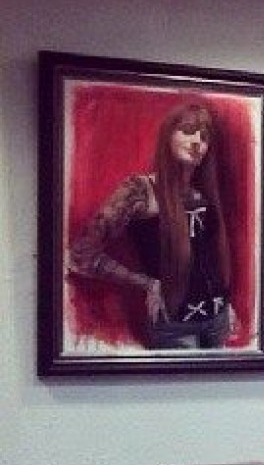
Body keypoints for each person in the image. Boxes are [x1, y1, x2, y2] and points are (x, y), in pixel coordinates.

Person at [68, 98, 234, 349]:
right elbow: (81, 255)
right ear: (168, 136)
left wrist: (226, 303)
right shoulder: (140, 190)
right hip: (174, 325)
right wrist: (146, 283)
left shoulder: (203, 193)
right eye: (188, 131)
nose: (197, 142)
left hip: (219, 320)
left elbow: (209, 257)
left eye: (204, 136)